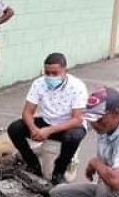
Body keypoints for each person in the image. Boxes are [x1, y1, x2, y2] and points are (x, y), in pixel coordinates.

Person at [7, 53, 88, 185]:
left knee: (74, 136)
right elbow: (27, 112)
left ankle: (59, 172)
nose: (50, 77)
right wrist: (34, 129)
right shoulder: (39, 84)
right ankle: (33, 164)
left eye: (55, 73)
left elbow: (77, 119)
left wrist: (48, 131)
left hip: (67, 126)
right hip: (47, 122)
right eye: (47, 73)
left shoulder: (77, 87)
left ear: (65, 71)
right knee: (15, 128)